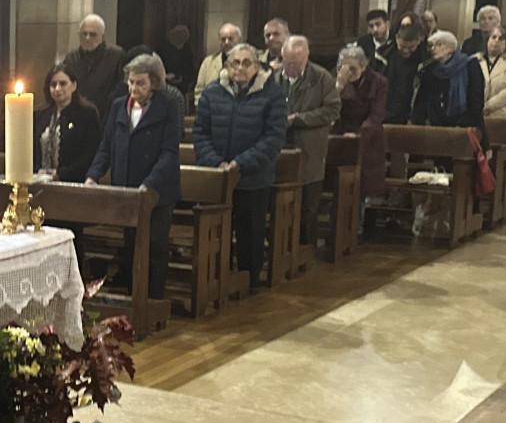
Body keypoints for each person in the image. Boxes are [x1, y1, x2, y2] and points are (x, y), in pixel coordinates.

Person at [194, 42, 287, 292]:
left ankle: (249, 280)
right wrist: (216, 163)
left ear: (257, 66)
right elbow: (201, 133)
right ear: (226, 65)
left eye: (247, 63)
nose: (240, 68)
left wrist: (240, 164)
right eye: (235, 63)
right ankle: (217, 278)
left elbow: (273, 138)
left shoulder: (272, 94)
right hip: (218, 175)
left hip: (252, 177)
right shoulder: (213, 92)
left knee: (251, 231)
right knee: (218, 230)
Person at [86, 53, 181, 288]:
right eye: (131, 82)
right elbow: (106, 147)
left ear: (154, 83)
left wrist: (149, 184)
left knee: (155, 245)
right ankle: (132, 295)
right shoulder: (119, 105)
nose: (134, 88)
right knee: (130, 244)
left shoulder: (168, 106)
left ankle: (153, 296)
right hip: (126, 188)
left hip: (157, 191)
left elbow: (169, 153)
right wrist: (92, 176)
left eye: (141, 83)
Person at [275, 36, 340, 244]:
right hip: (279, 149)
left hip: (309, 150)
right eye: (288, 62)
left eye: (297, 62)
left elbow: (332, 109)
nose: (292, 67)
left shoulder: (321, 78)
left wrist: (299, 119)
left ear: (306, 57)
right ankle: (280, 247)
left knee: (307, 207)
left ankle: (305, 249)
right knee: (280, 204)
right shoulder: (274, 78)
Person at [334, 45, 388, 202]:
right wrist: (338, 86)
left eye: (353, 69)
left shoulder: (378, 82)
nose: (348, 73)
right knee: (339, 188)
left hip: (367, 138)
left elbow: (377, 115)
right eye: (343, 68)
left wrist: (358, 134)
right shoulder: (336, 79)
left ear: (363, 67)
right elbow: (329, 108)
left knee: (361, 189)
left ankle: (358, 225)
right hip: (341, 136)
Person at [35, 62, 102, 183]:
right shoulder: (40, 114)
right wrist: (38, 170)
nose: (57, 89)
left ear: (74, 85)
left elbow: (90, 155)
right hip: (41, 181)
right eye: (53, 85)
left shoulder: (87, 114)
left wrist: (60, 174)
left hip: (74, 183)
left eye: (63, 84)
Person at [411, 30, 485, 129]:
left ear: (451, 47)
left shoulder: (469, 65)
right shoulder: (430, 69)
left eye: (439, 44)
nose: (433, 49)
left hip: (464, 125)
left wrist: (465, 122)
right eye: (432, 46)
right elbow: (422, 99)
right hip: (436, 125)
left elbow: (476, 96)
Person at [60, 12, 126, 115]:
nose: (87, 38)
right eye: (84, 34)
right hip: (77, 115)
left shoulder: (116, 57)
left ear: (102, 37)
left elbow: (121, 89)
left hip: (105, 116)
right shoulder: (71, 59)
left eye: (93, 35)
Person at [478, 24, 506, 169]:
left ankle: (500, 188)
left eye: (500, 38)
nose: (496, 41)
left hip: (501, 114)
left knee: (500, 160)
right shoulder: (476, 59)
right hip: (478, 115)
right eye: (493, 37)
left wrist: (490, 105)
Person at [376, 16, 427, 124]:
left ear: (419, 41)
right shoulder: (381, 56)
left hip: (410, 115)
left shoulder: (425, 60)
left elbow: (426, 94)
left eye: (411, 47)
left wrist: (415, 118)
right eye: (402, 46)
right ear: (396, 38)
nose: (406, 51)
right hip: (384, 111)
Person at [195, 22, 242, 93]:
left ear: (240, 40)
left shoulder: (249, 63)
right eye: (223, 39)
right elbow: (199, 91)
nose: (226, 42)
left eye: (230, 39)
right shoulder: (208, 63)